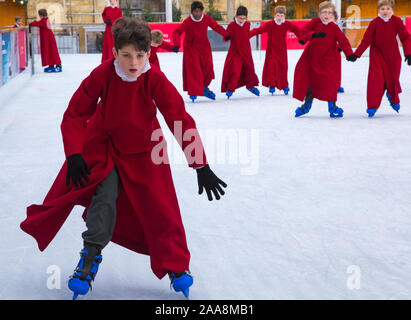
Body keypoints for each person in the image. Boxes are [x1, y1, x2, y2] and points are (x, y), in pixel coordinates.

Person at [20, 17, 227, 300]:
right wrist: (75, 153)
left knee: (161, 208)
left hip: (145, 150)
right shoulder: (103, 74)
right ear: (115, 52)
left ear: (149, 54)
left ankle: (176, 267)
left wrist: (200, 164)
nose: (133, 63)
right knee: (103, 203)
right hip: (106, 148)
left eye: (140, 56)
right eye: (127, 55)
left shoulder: (154, 78)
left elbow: (178, 118)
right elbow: (75, 113)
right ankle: (89, 259)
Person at [293, 1, 356, 118]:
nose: (326, 15)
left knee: (330, 83)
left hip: (327, 60)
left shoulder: (334, 27)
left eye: (329, 12)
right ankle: (307, 105)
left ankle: (332, 106)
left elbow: (343, 41)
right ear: (319, 13)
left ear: (333, 14)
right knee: (310, 82)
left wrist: (349, 54)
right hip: (312, 58)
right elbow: (302, 31)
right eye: (324, 12)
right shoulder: (315, 22)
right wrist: (313, 35)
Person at [353, 0, 411, 117]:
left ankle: (392, 95)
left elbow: (405, 37)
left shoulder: (397, 21)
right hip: (377, 56)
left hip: (393, 56)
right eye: (382, 9)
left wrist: (408, 53)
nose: (385, 11)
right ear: (378, 10)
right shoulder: (374, 22)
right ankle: (372, 106)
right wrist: (357, 54)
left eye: (388, 9)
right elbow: (366, 40)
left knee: (392, 79)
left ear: (392, 9)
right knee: (375, 81)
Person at [172, 1, 230, 102]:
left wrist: (225, 34)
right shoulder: (188, 21)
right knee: (195, 71)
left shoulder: (206, 18)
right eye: (195, 11)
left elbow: (216, 26)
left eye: (199, 11)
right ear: (192, 12)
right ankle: (194, 92)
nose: (197, 14)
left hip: (204, 47)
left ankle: (203, 88)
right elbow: (177, 32)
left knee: (208, 69)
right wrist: (177, 44)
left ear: (202, 11)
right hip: (191, 49)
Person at [249, 5, 302, 95]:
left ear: (284, 16)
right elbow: (259, 30)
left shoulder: (286, 24)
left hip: (282, 51)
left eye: (281, 16)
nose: (279, 18)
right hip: (271, 51)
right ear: (274, 16)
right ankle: (272, 84)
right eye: (278, 15)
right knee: (272, 68)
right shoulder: (270, 24)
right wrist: (248, 35)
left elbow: (296, 29)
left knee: (283, 68)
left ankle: (284, 85)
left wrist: (301, 38)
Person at [221, 6, 259, 98]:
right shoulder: (231, 25)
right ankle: (230, 88)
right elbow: (226, 36)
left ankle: (250, 86)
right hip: (236, 52)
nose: (242, 20)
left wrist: (254, 32)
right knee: (235, 71)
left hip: (246, 51)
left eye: (244, 18)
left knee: (249, 69)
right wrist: (226, 37)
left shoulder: (247, 24)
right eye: (240, 18)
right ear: (236, 16)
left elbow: (246, 35)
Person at [331, 10, 345, 94]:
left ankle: (337, 85)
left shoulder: (336, 28)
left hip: (335, 52)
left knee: (336, 70)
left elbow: (342, 39)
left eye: (332, 17)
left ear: (335, 19)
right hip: (325, 52)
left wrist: (340, 47)